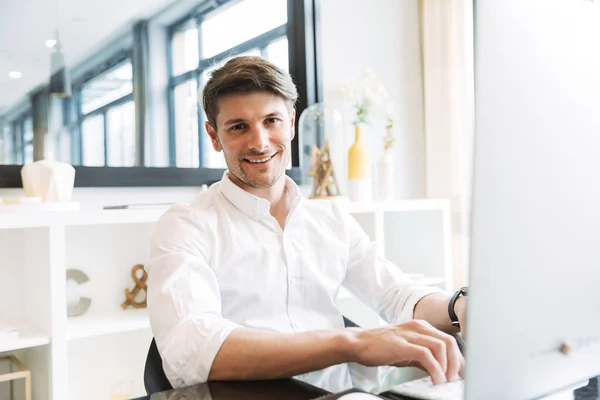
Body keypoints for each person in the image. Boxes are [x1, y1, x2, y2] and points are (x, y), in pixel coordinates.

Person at [145, 55, 467, 393]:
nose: (259, 142)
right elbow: (193, 348)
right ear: (213, 136)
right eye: (239, 126)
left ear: (292, 124)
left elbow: (397, 296)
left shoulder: (331, 220)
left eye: (271, 121)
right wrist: (352, 343)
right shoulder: (186, 225)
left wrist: (460, 306)